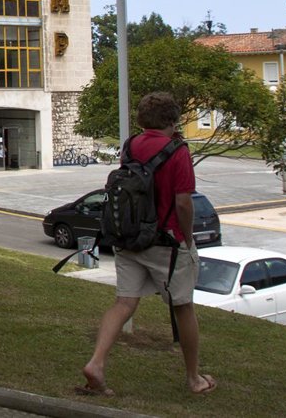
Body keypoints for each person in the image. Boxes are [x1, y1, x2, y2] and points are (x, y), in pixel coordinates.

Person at [79, 92, 215, 397]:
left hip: (129, 239)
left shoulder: (131, 146)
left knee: (124, 303)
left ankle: (96, 363)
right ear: (173, 120)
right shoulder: (178, 151)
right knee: (183, 307)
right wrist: (188, 238)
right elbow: (183, 203)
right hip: (167, 242)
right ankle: (194, 378)